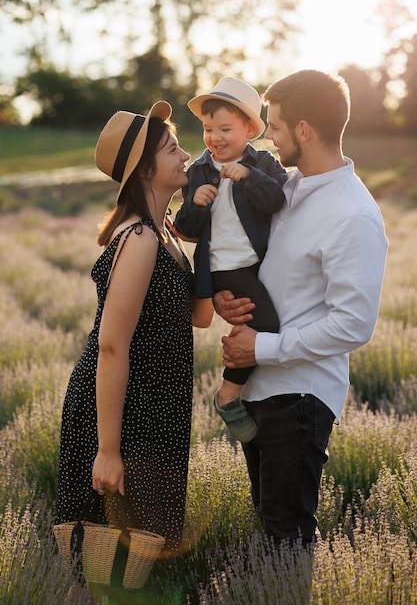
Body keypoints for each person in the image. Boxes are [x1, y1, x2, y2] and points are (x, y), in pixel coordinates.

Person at [214, 69, 388, 549]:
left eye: (274, 124)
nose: (268, 135)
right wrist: (233, 299)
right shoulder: (285, 186)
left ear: (304, 130)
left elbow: (354, 324)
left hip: (300, 399)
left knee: (286, 539)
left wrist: (262, 345)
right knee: (270, 528)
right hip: (262, 389)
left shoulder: (352, 214)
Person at [56, 101, 214, 574]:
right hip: (123, 418)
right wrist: (108, 450)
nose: (185, 155)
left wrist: (213, 230)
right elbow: (111, 345)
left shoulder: (163, 232)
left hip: (154, 413)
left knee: (137, 560)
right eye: (172, 149)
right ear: (146, 169)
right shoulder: (140, 239)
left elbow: (199, 318)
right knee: (105, 567)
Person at [175, 76, 287, 443]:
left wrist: (250, 176)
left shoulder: (264, 163)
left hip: (257, 265)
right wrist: (195, 203)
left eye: (225, 128)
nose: (214, 137)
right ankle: (229, 393)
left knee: (258, 323)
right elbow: (184, 227)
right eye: (208, 129)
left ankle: (241, 390)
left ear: (249, 129)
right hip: (223, 270)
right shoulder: (199, 172)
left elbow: (276, 200)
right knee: (266, 325)